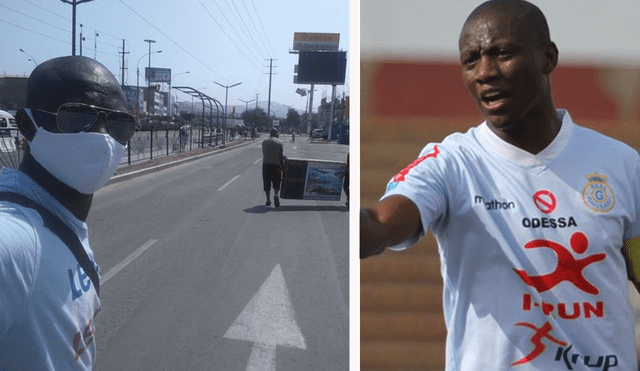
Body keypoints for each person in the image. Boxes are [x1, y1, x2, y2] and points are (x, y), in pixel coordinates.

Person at [360, 1, 640, 369]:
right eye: (470, 60)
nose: (484, 72)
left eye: (502, 53)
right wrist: (361, 227)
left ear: (548, 58)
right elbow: (383, 223)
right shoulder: (451, 163)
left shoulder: (621, 165)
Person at [0, 56, 136, 370]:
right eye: (76, 116)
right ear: (27, 125)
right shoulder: (17, 240)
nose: (102, 136)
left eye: (119, 123)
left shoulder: (59, 219)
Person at [262, 128, 284, 207]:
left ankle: (268, 199)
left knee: (266, 182)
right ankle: (276, 195)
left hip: (266, 165)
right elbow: (280, 156)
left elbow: (264, 152)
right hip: (276, 165)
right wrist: (282, 167)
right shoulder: (280, 142)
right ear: (276, 134)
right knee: (276, 182)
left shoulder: (264, 142)